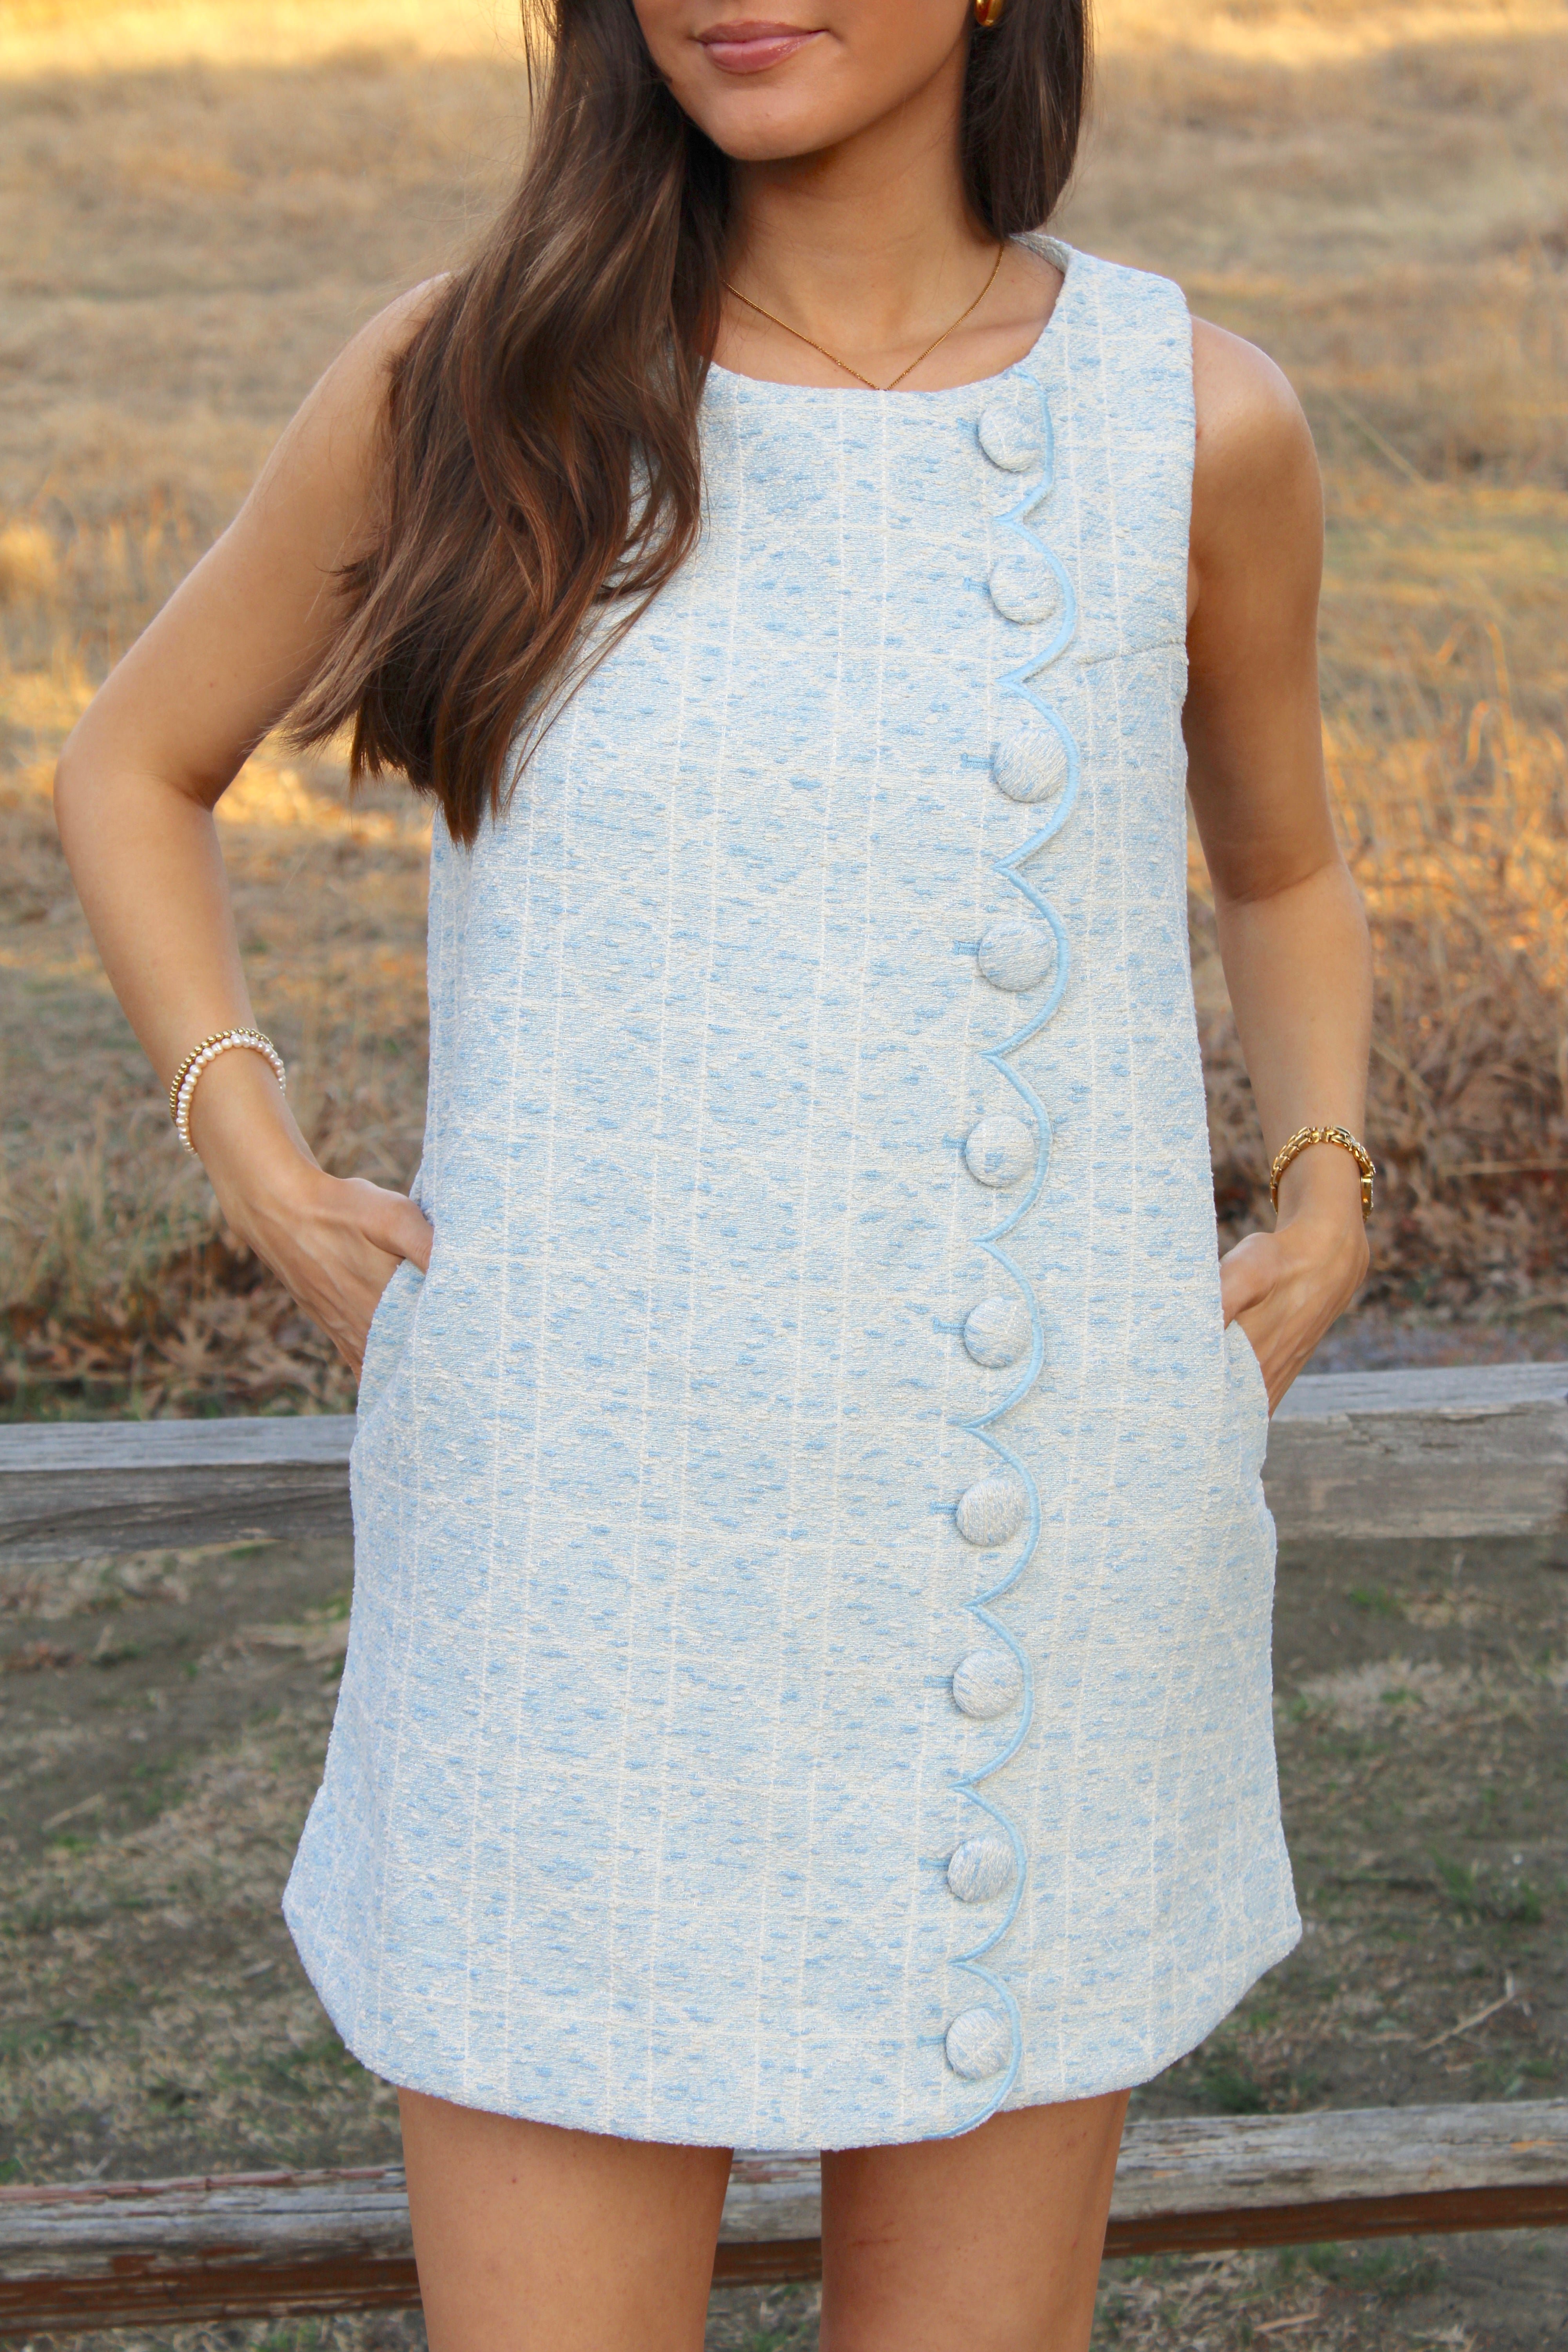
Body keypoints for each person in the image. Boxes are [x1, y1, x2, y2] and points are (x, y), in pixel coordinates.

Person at [55, 2, 1374, 2345]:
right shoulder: (473, 380)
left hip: (1022, 1563)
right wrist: (250, 1147)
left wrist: (1330, 1179)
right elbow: (133, 764)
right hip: (578, 1592)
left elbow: (1280, 865)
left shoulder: (1191, 418)